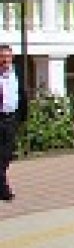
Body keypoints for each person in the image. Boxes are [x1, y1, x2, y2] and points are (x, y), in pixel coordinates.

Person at [0, 43, 19, 202]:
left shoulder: (17, 73)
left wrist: (21, 117)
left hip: (11, 119)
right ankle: (4, 189)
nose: (5, 60)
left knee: (7, 155)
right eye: (2, 57)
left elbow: (22, 94)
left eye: (8, 56)